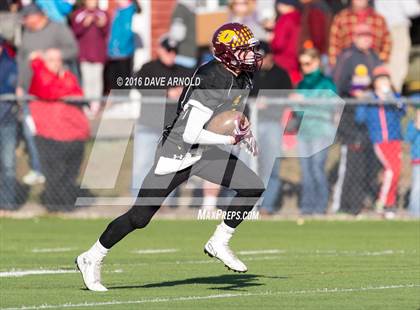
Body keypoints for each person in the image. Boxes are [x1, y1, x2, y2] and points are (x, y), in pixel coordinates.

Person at [76, 23, 265, 291]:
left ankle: (219, 241)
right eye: (244, 50)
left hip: (206, 152)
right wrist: (228, 139)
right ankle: (91, 256)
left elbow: (227, 115)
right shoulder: (211, 77)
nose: (251, 55)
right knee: (139, 218)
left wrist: (243, 132)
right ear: (227, 53)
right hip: (178, 153)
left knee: (252, 186)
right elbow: (189, 133)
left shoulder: (242, 76)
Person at [17, 3, 78, 185]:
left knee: (53, 133)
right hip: (30, 92)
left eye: (27, 17)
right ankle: (38, 168)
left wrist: (45, 55)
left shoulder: (58, 29)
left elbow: (73, 50)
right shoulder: (27, 33)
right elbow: (21, 61)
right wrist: (20, 85)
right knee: (31, 132)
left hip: (52, 92)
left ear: (39, 16)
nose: (25, 21)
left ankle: (55, 172)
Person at [28, 49, 90, 212]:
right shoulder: (40, 75)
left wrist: (64, 84)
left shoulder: (67, 76)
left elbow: (78, 93)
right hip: (50, 134)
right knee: (54, 172)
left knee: (70, 172)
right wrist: (38, 64)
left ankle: (66, 204)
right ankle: (54, 206)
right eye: (51, 60)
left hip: (74, 134)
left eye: (58, 60)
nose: (56, 63)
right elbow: (50, 91)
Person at [331, 23, 382, 215]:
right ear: (355, 38)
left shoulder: (374, 57)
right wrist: (353, 94)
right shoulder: (348, 57)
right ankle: (343, 205)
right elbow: (337, 84)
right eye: (362, 35)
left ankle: (357, 204)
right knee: (351, 161)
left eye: (369, 36)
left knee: (368, 164)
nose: (366, 39)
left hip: (369, 116)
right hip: (350, 115)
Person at [132, 36, 192, 195]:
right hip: (148, 125)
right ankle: (137, 201)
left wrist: (183, 92)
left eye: (174, 51)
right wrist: (166, 92)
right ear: (159, 50)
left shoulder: (183, 71)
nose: (171, 54)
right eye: (168, 50)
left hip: (172, 128)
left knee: (169, 166)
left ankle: (163, 202)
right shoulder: (148, 68)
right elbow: (139, 86)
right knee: (142, 164)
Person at [355, 66, 405, 219]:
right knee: (391, 170)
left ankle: (390, 203)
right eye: (379, 79)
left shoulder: (394, 96)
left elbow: (401, 111)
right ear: (374, 82)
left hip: (394, 139)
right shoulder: (370, 98)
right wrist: (365, 101)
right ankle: (383, 202)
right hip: (379, 140)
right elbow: (360, 118)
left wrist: (390, 98)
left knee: (395, 171)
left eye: (385, 79)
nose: (383, 82)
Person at [250, 41, 292, 214]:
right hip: (252, 124)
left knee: (271, 166)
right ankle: (242, 205)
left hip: (272, 124)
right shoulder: (250, 73)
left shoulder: (281, 75)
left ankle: (267, 206)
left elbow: (287, 99)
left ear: (270, 56)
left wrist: (270, 104)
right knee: (247, 165)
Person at [295, 48, 336, 215]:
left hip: (322, 131)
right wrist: (301, 104)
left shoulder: (326, 83)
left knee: (317, 168)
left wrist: (305, 102)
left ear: (317, 62)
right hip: (304, 132)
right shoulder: (301, 84)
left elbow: (329, 106)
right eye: (301, 64)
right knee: (306, 171)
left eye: (308, 63)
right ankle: (307, 206)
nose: (304, 67)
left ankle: (320, 206)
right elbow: (297, 110)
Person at [71, 0, 109, 116]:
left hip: (98, 54)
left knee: (97, 80)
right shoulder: (79, 14)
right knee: (87, 80)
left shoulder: (102, 14)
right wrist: (84, 24)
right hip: (84, 54)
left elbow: (107, 32)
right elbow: (74, 32)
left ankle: (95, 106)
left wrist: (102, 26)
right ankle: (87, 105)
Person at [374, 0, 420, 93]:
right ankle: (393, 96)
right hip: (398, 28)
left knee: (387, 63)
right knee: (398, 65)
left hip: (381, 28)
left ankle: (385, 93)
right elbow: (412, 10)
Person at [328, 0, 391, 67]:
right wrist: (336, 66)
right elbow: (334, 46)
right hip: (348, 68)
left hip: (373, 67)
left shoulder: (379, 19)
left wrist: (380, 61)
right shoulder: (341, 18)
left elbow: (387, 43)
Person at [0, 37, 18, 211]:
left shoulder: (10, 64)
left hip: (6, 121)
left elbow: (10, 87)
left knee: (8, 164)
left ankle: (7, 203)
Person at [104, 0, 136, 93]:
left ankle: (123, 104)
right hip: (114, 54)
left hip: (122, 54)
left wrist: (118, 47)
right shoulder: (119, 10)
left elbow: (127, 32)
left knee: (121, 82)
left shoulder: (127, 11)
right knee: (113, 82)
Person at [271, 0, 302, 84]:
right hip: (296, 60)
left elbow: (278, 44)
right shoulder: (300, 17)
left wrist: (270, 43)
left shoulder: (285, 19)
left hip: (283, 60)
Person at [168, 0, 197, 69]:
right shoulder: (181, 10)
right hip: (182, 56)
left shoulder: (187, 10)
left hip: (189, 55)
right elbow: (177, 35)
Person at [405, 102, 420, 218]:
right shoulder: (412, 124)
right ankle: (415, 213)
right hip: (418, 160)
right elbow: (408, 138)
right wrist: (416, 127)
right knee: (417, 188)